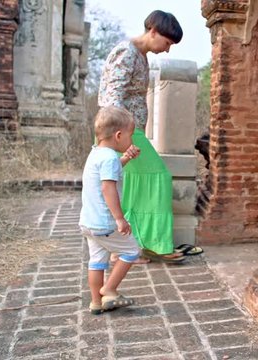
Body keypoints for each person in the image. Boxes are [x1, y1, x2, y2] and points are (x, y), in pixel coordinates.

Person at [98, 10, 185, 263]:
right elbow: (112, 97)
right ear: (153, 31)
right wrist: (122, 138)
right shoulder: (128, 52)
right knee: (158, 176)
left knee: (132, 190)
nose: (167, 50)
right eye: (167, 43)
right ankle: (151, 244)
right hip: (120, 133)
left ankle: (129, 247)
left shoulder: (140, 55)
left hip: (126, 132)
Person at [79, 106, 143, 315]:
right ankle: (109, 288)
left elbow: (109, 171)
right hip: (105, 222)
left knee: (97, 261)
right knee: (131, 251)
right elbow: (108, 187)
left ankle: (96, 302)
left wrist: (125, 157)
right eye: (130, 135)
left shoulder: (96, 153)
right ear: (118, 135)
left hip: (89, 223)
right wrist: (119, 218)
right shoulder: (108, 158)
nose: (131, 140)